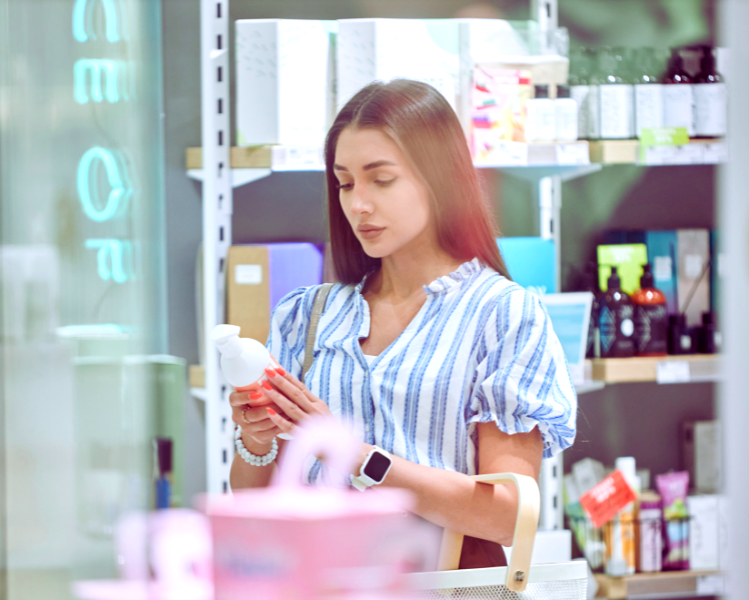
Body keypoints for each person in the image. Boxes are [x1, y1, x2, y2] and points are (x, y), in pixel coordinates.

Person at [228, 79, 577, 565]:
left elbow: (507, 517)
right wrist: (256, 439)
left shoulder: (503, 314)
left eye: (381, 179)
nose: (358, 204)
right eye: (345, 183)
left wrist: (359, 458)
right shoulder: (305, 316)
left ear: (439, 179)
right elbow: (252, 503)